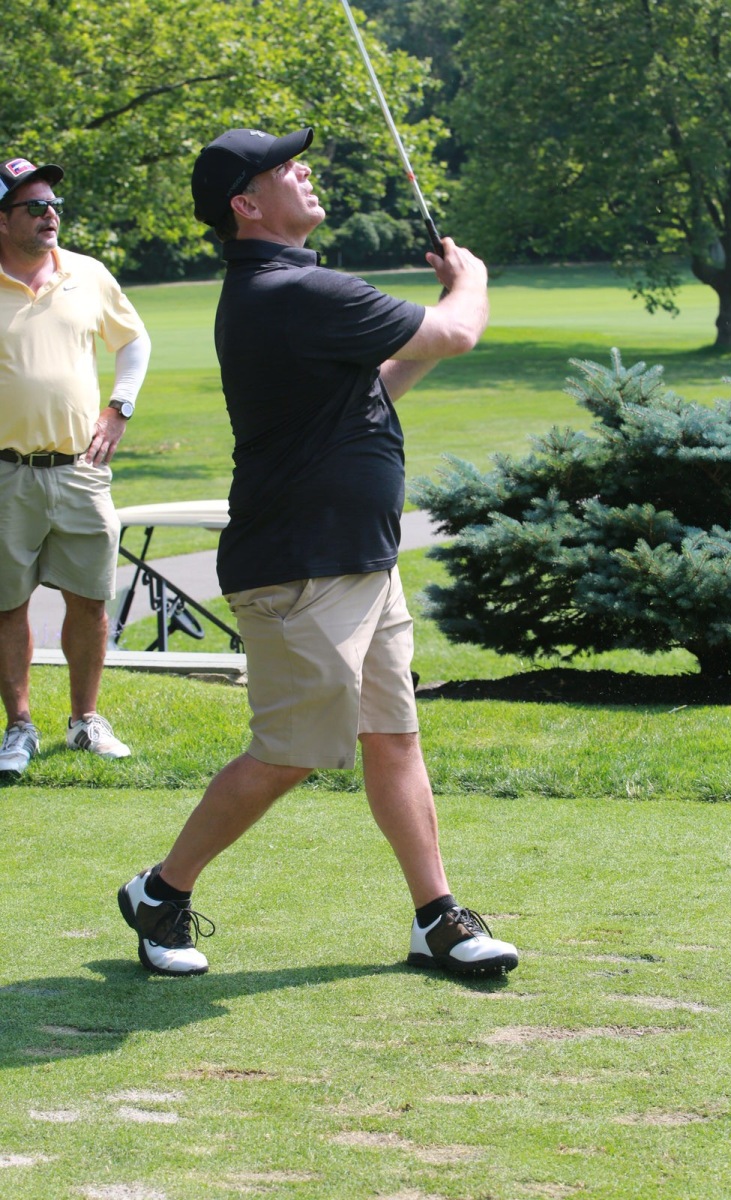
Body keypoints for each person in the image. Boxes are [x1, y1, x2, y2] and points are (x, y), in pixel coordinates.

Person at [118, 125, 518, 979]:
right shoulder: (292, 290)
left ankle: (436, 919)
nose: (302, 170)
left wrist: (437, 320)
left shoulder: (288, 291)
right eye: (281, 166)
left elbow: (377, 386)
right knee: (291, 750)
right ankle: (160, 890)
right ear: (246, 204)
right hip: (300, 566)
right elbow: (457, 333)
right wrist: (471, 280)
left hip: (360, 560)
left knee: (393, 737)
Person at [0, 155, 151, 778]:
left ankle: (85, 719)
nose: (50, 215)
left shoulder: (87, 273)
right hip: (5, 473)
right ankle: (19, 727)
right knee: (7, 605)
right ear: (3, 219)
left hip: (80, 468)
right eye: (35, 206)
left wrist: (119, 407)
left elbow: (133, 340)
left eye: (53, 205)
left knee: (89, 599)